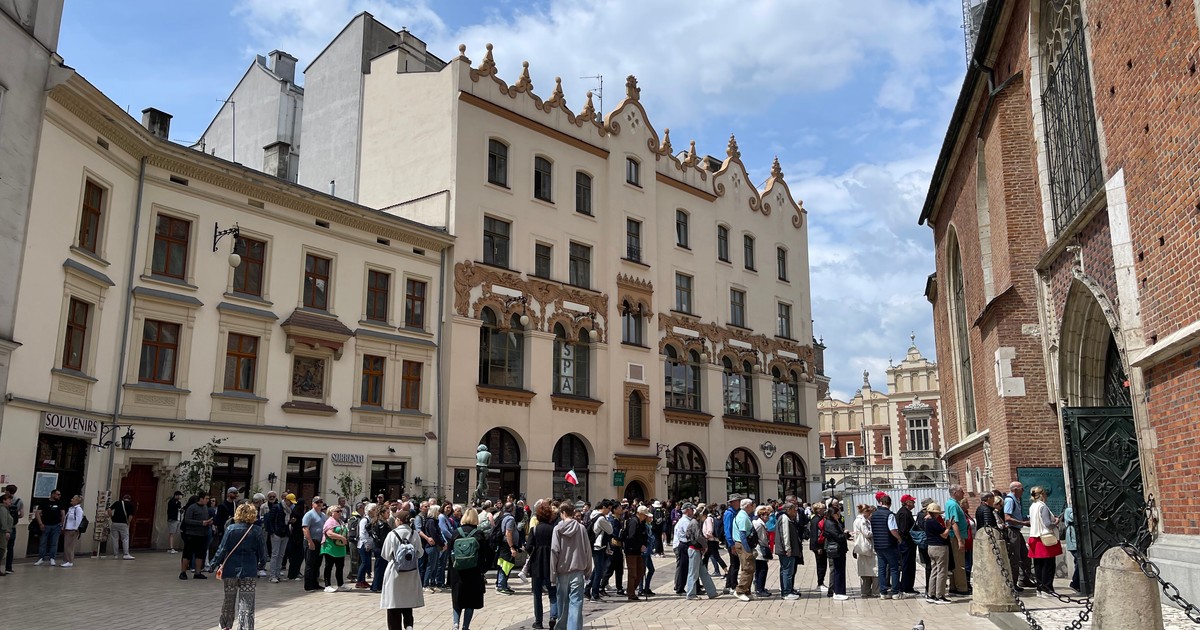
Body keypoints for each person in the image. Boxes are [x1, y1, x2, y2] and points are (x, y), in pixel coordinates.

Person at [208, 502, 267, 630]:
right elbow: (262, 551)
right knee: (247, 602)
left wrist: (213, 564)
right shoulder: (257, 530)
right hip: (249, 569)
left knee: (229, 599)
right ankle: (245, 627)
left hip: (230, 568)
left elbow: (222, 549)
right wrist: (262, 564)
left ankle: (225, 625)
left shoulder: (231, 529)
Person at [381, 508, 424, 630]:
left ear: (399, 520)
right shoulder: (414, 534)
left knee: (394, 603)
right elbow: (420, 553)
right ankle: (409, 625)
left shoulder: (392, 534)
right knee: (407, 601)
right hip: (411, 571)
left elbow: (385, 554)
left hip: (395, 571)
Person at [550, 501, 591, 630]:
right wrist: (588, 571)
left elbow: (554, 551)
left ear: (563, 513)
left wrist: (552, 575)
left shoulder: (557, 529)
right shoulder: (581, 528)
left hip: (561, 572)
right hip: (578, 571)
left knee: (562, 604)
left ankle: (562, 627)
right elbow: (587, 550)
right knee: (576, 604)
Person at [448, 507, 490, 630]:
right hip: (474, 571)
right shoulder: (478, 534)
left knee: (457, 600)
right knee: (470, 601)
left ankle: (455, 624)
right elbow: (485, 554)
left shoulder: (456, 532)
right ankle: (465, 627)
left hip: (458, 571)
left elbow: (449, 552)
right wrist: (482, 569)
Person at [1027, 486, 1062, 597]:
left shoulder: (1032, 506)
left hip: (1035, 537)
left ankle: (1039, 589)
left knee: (1038, 565)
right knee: (1048, 565)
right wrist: (1056, 522)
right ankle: (1047, 589)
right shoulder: (1043, 506)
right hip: (1045, 538)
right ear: (1042, 495)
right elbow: (1048, 524)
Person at [528, 500, 558, 629]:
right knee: (553, 593)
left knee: (537, 594)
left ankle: (538, 622)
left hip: (537, 565)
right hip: (551, 564)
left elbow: (528, 547)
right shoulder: (554, 530)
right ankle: (553, 616)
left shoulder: (534, 529)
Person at [1004, 481, 1036, 590]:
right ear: (1015, 489)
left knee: (1025, 556)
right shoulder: (1009, 500)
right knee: (1015, 558)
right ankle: (1013, 583)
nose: (1023, 491)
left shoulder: (1016, 500)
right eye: (1021, 489)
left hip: (1017, 531)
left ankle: (1024, 579)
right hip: (1012, 531)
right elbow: (1007, 517)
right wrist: (1023, 523)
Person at [871, 494, 904, 599]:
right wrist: (899, 538)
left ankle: (883, 592)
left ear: (880, 503)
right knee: (894, 568)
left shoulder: (874, 515)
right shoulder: (889, 515)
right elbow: (892, 529)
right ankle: (895, 592)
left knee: (881, 568)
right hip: (889, 544)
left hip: (878, 544)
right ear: (890, 504)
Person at [944, 485, 970, 595]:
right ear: (955, 493)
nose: (963, 493)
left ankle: (954, 586)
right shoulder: (953, 505)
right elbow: (954, 523)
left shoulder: (951, 503)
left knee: (954, 562)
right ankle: (962, 588)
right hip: (955, 537)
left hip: (955, 536)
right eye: (961, 491)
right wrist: (959, 540)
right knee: (959, 563)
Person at [821, 502, 850, 600]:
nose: (839, 514)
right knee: (837, 570)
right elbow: (838, 536)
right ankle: (837, 591)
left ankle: (841, 591)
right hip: (836, 549)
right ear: (833, 514)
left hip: (840, 549)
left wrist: (847, 534)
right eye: (838, 513)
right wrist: (845, 534)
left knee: (841, 570)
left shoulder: (836, 522)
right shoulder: (830, 523)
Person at [923, 502, 950, 604]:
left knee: (934, 570)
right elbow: (944, 535)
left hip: (931, 547)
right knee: (942, 571)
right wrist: (948, 527)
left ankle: (931, 594)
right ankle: (940, 595)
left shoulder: (926, 521)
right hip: (939, 548)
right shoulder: (934, 522)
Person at [586, 500, 613, 601]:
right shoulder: (601, 518)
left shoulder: (594, 515)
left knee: (597, 569)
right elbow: (610, 530)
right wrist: (608, 520)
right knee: (599, 571)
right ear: (603, 507)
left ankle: (587, 590)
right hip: (598, 546)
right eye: (608, 509)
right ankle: (595, 594)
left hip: (596, 545)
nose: (609, 511)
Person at [321, 504, 351, 592]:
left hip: (340, 548)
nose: (340, 513)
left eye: (340, 511)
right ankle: (327, 585)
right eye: (337, 511)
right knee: (329, 566)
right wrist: (341, 538)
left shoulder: (340, 521)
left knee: (340, 567)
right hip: (330, 547)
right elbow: (329, 533)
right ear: (331, 513)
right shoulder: (330, 522)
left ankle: (340, 584)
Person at [625, 504, 651, 601]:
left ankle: (631, 589)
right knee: (633, 573)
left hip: (638, 551)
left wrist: (644, 544)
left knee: (641, 572)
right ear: (639, 513)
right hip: (631, 551)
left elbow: (643, 536)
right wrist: (639, 546)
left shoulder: (641, 523)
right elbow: (631, 537)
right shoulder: (633, 522)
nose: (645, 517)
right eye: (644, 515)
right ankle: (631, 594)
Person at [775, 502, 801, 600]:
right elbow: (785, 534)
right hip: (785, 550)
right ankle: (786, 592)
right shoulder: (785, 518)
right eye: (794, 510)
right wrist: (787, 549)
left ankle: (786, 590)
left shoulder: (786, 518)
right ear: (788, 510)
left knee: (785, 570)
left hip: (785, 549)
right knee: (787, 571)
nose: (795, 512)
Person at [732, 498, 756, 601]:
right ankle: (740, 590)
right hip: (742, 544)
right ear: (747, 506)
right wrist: (748, 550)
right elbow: (742, 534)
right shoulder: (743, 517)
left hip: (742, 544)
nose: (753, 507)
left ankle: (747, 590)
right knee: (748, 567)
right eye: (751, 505)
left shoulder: (744, 515)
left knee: (749, 567)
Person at [302, 497, 328, 592]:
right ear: (313, 504)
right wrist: (310, 542)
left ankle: (315, 583)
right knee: (310, 564)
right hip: (312, 541)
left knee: (317, 564)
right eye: (317, 502)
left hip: (320, 542)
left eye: (321, 502)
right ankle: (308, 585)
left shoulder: (323, 515)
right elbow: (305, 529)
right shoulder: (309, 514)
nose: (319, 504)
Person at [33, 488, 64, 566]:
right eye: (58, 494)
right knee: (43, 542)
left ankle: (52, 558)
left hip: (56, 525)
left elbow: (63, 514)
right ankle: (41, 558)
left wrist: (62, 524)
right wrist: (40, 523)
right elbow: (38, 513)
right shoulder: (44, 502)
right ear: (53, 494)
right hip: (46, 525)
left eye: (60, 495)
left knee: (54, 543)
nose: (59, 496)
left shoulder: (60, 503)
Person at [852, 503, 877, 598]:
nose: (870, 514)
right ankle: (875, 591)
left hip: (862, 548)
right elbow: (867, 533)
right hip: (866, 547)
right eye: (869, 512)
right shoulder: (862, 521)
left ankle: (865, 591)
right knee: (875, 569)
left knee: (864, 570)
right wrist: (876, 531)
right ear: (865, 511)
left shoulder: (858, 520)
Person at [263, 491, 287, 583]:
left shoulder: (288, 509)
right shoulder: (277, 507)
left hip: (285, 534)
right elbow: (269, 520)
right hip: (276, 534)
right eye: (270, 496)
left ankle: (277, 574)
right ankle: (272, 575)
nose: (272, 498)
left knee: (281, 555)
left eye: (274, 496)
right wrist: (272, 532)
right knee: (275, 554)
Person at [896, 494, 918, 595]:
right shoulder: (904, 513)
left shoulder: (905, 512)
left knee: (909, 565)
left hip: (908, 543)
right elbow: (904, 530)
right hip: (907, 544)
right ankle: (906, 587)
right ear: (907, 502)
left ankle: (908, 586)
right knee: (907, 565)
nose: (914, 502)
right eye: (912, 501)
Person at [358, 503, 383, 589]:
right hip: (364, 545)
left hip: (370, 544)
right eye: (374, 510)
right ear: (369, 511)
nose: (375, 511)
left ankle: (363, 580)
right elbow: (362, 533)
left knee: (368, 563)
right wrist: (366, 544)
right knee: (364, 562)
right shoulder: (364, 520)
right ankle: (359, 581)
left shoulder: (371, 519)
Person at [809, 501, 829, 595]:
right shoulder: (815, 520)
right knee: (821, 565)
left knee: (823, 564)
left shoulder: (822, 518)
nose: (824, 510)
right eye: (822, 508)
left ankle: (821, 582)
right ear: (817, 510)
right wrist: (817, 547)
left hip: (823, 545)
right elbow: (814, 535)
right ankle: (820, 583)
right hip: (818, 546)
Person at [672, 502, 693, 595]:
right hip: (681, 545)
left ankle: (683, 586)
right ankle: (679, 587)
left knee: (685, 566)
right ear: (687, 510)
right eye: (692, 510)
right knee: (682, 567)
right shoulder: (685, 521)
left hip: (683, 544)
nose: (693, 512)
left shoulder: (687, 520)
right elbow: (688, 535)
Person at [722, 495, 741, 594]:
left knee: (734, 564)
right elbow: (727, 529)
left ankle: (729, 584)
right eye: (738, 500)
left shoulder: (736, 512)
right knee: (735, 564)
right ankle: (733, 585)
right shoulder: (729, 513)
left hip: (735, 541)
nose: (739, 502)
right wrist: (731, 544)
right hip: (732, 542)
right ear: (733, 502)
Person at [752, 505, 772, 597]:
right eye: (766, 515)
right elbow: (762, 538)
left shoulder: (757, 523)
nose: (768, 517)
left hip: (757, 548)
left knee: (759, 569)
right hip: (759, 549)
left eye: (768, 515)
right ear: (761, 516)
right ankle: (760, 589)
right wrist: (766, 547)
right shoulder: (760, 525)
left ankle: (759, 588)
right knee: (762, 569)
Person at [702, 504, 727, 577]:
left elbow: (709, 530)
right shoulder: (713, 518)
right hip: (713, 540)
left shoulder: (708, 519)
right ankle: (704, 571)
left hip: (711, 541)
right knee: (707, 557)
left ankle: (726, 571)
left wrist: (706, 536)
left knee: (716, 557)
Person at [285, 499, 307, 582]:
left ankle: (295, 573)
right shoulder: (297, 513)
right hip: (296, 538)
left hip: (297, 537)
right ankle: (293, 574)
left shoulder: (298, 512)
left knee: (298, 556)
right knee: (296, 557)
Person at [2, 485, 22, 574]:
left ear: (7, 491)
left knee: (2, 548)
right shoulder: (19, 501)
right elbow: (21, 514)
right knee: (10, 548)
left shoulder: (2, 500)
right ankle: (8, 568)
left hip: (4, 530)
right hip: (12, 528)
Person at [61, 494, 84, 567]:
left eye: (73, 499)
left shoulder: (78, 509)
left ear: (77, 501)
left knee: (70, 546)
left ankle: (70, 560)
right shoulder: (71, 508)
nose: (71, 500)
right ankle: (66, 560)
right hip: (67, 529)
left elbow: (78, 520)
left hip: (72, 530)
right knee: (66, 545)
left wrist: (75, 529)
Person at [0, 493, 13, 576]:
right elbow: (3, 521)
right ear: (4, 500)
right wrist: (7, 531)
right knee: (1, 549)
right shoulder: (2, 509)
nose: (10, 501)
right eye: (9, 499)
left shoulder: (4, 508)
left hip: (3, 531)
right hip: (2, 532)